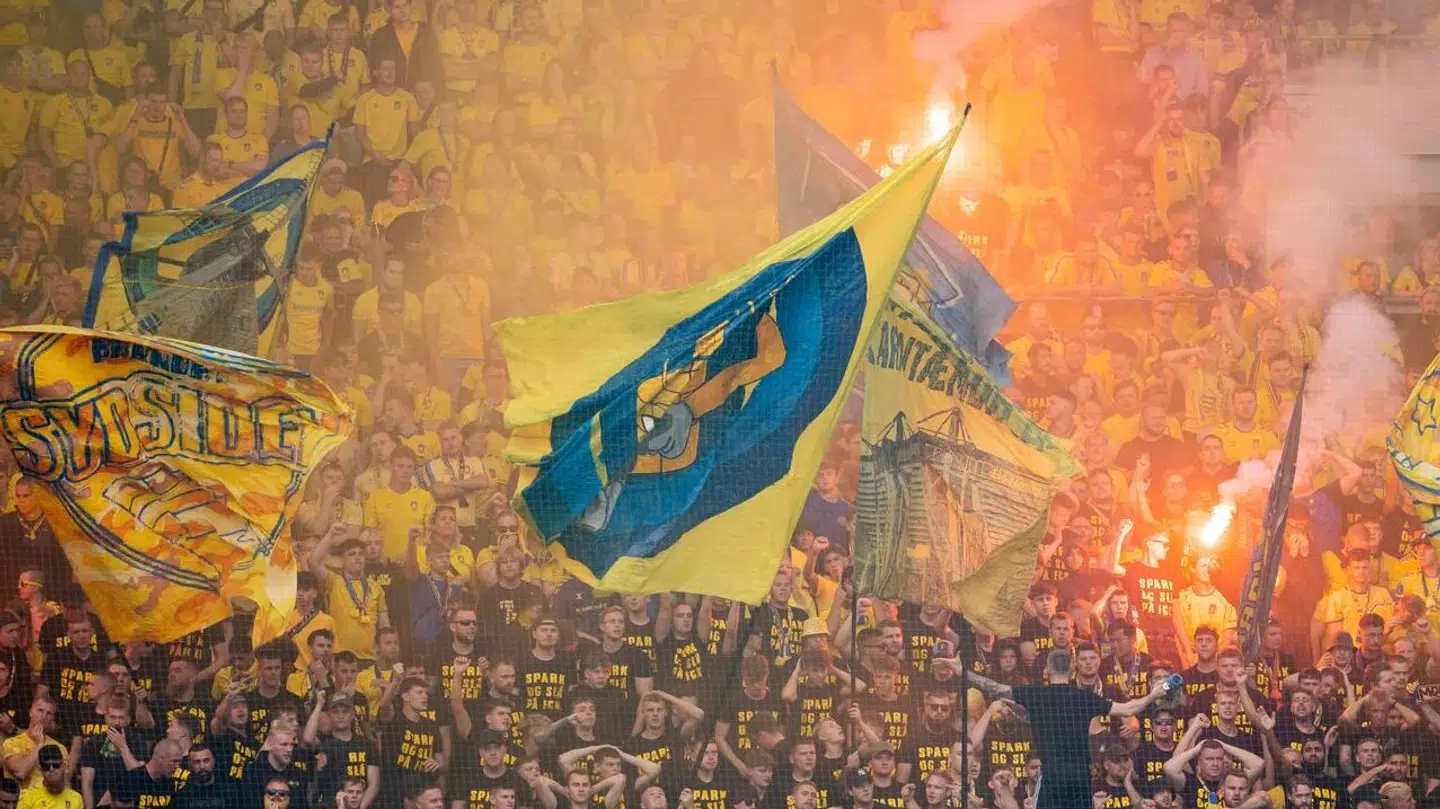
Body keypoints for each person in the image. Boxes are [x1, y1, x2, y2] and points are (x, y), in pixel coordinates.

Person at [952, 650, 1168, 809]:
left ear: (1047, 668)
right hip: (1080, 779)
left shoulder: (1035, 694)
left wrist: (960, 670)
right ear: (1073, 667)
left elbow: (993, 688)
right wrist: (1156, 693)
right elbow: (1131, 707)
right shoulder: (1085, 698)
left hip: (1053, 778)